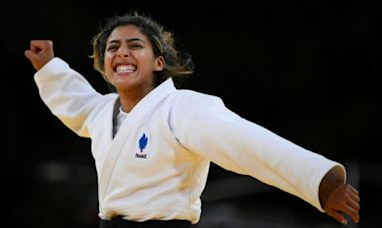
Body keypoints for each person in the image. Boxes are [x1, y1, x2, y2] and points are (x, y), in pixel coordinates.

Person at [24, 12, 360, 228]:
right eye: (112, 48)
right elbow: (77, 104)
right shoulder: (103, 113)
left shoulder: (182, 109)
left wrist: (320, 182)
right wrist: (51, 69)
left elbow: (249, 144)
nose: (121, 53)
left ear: (158, 62)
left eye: (134, 45)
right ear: (103, 64)